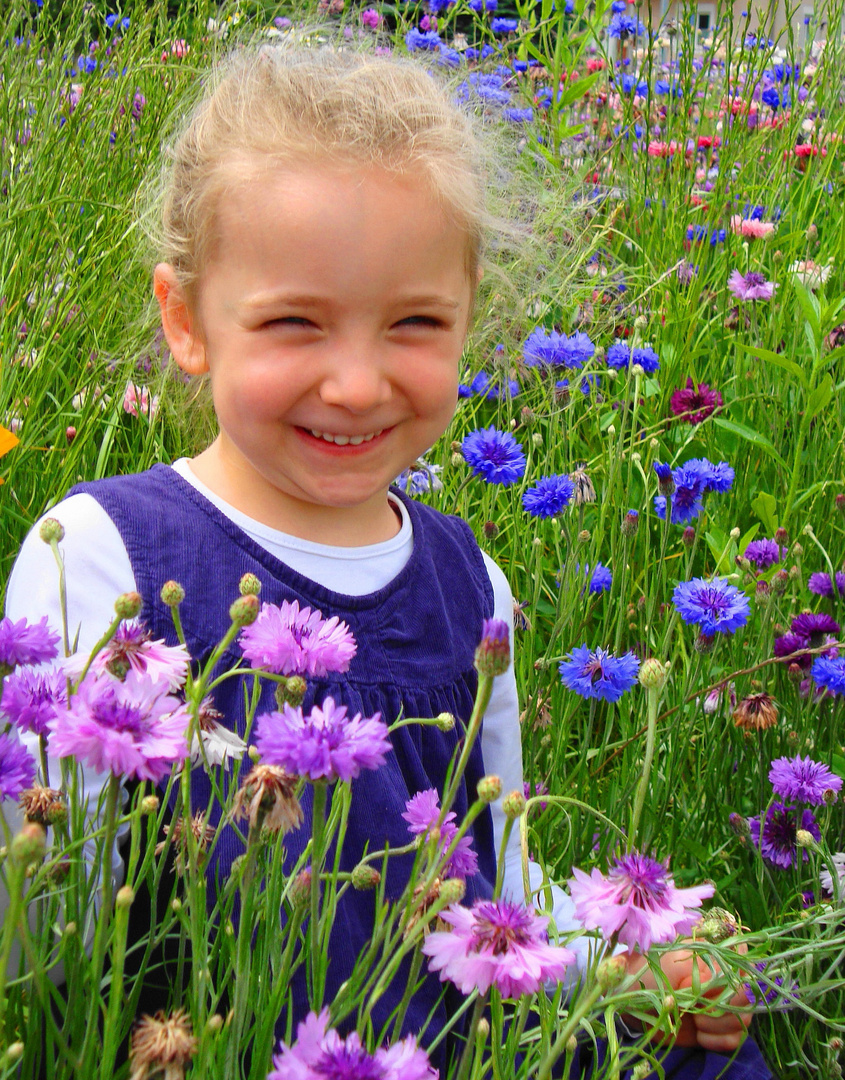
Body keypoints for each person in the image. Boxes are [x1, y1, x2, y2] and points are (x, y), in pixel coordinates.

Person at [5, 46, 766, 1077]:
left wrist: (626, 957)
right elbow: (42, 918)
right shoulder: (107, 554)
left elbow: (499, 868)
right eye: (293, 323)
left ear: (468, 320)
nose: (358, 385)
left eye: (413, 323)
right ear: (187, 321)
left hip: (458, 1041)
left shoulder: (467, 577)